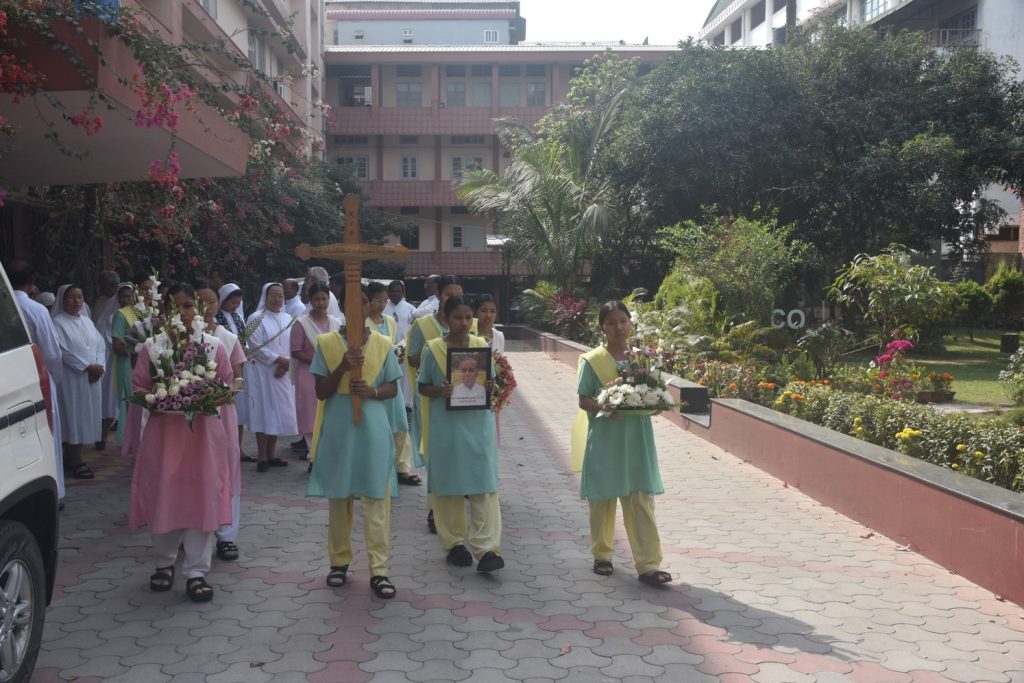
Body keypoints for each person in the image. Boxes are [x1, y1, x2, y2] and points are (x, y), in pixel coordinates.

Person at [129, 282, 234, 603]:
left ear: (198, 310)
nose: (182, 314)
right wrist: (158, 400)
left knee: (201, 498)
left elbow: (228, 387)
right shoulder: (152, 347)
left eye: (188, 306)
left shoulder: (214, 346)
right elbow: (138, 389)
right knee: (165, 495)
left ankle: (197, 571)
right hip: (164, 437)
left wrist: (206, 395)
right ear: (163, 313)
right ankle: (164, 563)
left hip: (202, 438)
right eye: (173, 307)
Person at [306, 285, 402, 599]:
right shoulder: (327, 342)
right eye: (349, 303)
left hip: (372, 425)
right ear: (343, 308)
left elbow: (392, 387)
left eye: (361, 302)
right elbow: (321, 391)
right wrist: (343, 367)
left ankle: (379, 568)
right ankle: (339, 562)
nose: (356, 308)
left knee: (377, 498)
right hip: (339, 427)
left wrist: (372, 392)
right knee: (340, 496)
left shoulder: (384, 343)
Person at [571, 301, 672, 587]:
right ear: (602, 327)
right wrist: (604, 405)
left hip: (637, 437)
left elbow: (653, 391)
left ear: (630, 323)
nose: (618, 328)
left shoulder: (642, 358)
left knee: (641, 499)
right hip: (606, 435)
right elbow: (583, 399)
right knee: (603, 498)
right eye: (612, 322)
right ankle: (602, 554)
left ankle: (649, 564)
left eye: (623, 321)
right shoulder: (591, 360)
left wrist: (655, 405)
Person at [418, 295, 503, 573]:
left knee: (484, 484)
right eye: (458, 317)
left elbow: (489, 382)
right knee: (449, 485)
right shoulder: (433, 349)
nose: (464, 323)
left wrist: (490, 385)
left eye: (468, 318)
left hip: (478, 424)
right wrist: (439, 391)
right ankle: (454, 544)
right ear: (446, 317)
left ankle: (487, 548)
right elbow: (423, 387)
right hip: (447, 427)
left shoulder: (480, 346)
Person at [405, 275, 476, 532]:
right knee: (438, 455)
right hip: (434, 398)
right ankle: (435, 509)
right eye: (448, 294)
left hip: (466, 400)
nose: (453, 298)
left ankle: (461, 496)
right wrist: (438, 361)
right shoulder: (423, 326)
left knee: (464, 450)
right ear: (439, 296)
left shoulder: (472, 326)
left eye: (458, 292)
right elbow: (412, 358)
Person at [197, 282, 247, 563]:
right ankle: (192, 528)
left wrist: (228, 391)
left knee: (226, 469)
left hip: (222, 411)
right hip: (192, 414)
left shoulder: (227, 337)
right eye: (199, 301)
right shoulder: (180, 338)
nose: (205, 307)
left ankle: (226, 535)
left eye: (211, 301)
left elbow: (238, 376)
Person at [9, 259, 67, 501]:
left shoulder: (8, 307)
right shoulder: (36, 310)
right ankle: (55, 492)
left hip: (8, 378)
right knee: (45, 434)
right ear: (32, 283)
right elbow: (52, 352)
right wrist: (55, 376)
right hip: (35, 376)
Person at [51, 284, 105, 480]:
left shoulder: (87, 321)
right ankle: (75, 458)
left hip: (92, 377)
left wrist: (99, 366)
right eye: (72, 297)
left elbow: (100, 345)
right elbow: (62, 350)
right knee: (74, 415)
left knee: (87, 415)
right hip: (73, 378)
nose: (76, 301)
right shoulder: (57, 322)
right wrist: (86, 366)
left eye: (80, 297)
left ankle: (73, 455)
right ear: (62, 300)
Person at [367, 281, 417, 486]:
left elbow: (398, 344)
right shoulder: (360, 322)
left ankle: (402, 467)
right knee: (376, 425)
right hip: (372, 376)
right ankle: (377, 467)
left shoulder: (390, 321)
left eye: (384, 301)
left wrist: (399, 353)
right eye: (377, 300)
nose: (381, 305)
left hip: (391, 375)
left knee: (400, 423)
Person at [245, 282, 298, 472]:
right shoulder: (256, 318)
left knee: (279, 413)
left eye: (280, 296)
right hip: (263, 373)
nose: (277, 299)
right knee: (264, 412)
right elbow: (256, 346)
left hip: (283, 373)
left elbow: (293, 345)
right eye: (273, 295)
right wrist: (279, 361)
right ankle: (262, 456)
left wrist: (285, 365)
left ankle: (273, 454)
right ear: (265, 297)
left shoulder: (288, 318)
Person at [291, 283, 342, 458]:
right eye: (316, 299)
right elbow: (296, 351)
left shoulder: (336, 323)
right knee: (310, 414)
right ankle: (313, 455)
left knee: (331, 412)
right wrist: (319, 360)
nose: (320, 303)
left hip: (331, 373)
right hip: (308, 373)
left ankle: (329, 454)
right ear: (310, 301)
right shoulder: (301, 323)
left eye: (324, 299)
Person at [115, 276, 156, 458]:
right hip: (131, 365)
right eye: (143, 289)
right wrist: (138, 350)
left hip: (156, 369)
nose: (147, 293)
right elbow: (118, 344)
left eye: (150, 289)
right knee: (136, 406)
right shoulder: (123, 313)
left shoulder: (157, 313)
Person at [215, 283, 254, 462]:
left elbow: (243, 338)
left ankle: (237, 447)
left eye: (238, 303)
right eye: (232, 303)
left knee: (238, 411)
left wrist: (244, 349)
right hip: (223, 367)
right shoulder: (216, 320)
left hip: (239, 365)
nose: (235, 306)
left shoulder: (238, 317)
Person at [92, 270, 121, 451]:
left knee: (111, 396)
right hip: (99, 356)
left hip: (114, 357)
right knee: (101, 396)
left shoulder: (120, 303)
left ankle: (103, 433)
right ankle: (98, 432)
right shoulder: (100, 301)